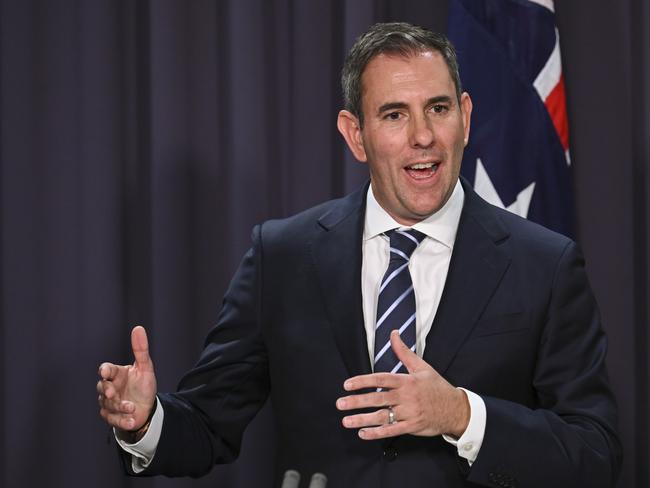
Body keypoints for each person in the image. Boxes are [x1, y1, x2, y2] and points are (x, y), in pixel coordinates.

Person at [97, 22, 621, 487]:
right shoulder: (283, 256)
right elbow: (208, 424)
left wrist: (461, 414)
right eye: (394, 115)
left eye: (437, 109)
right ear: (356, 135)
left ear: (463, 117)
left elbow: (595, 454)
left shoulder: (544, 265)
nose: (423, 137)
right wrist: (146, 422)